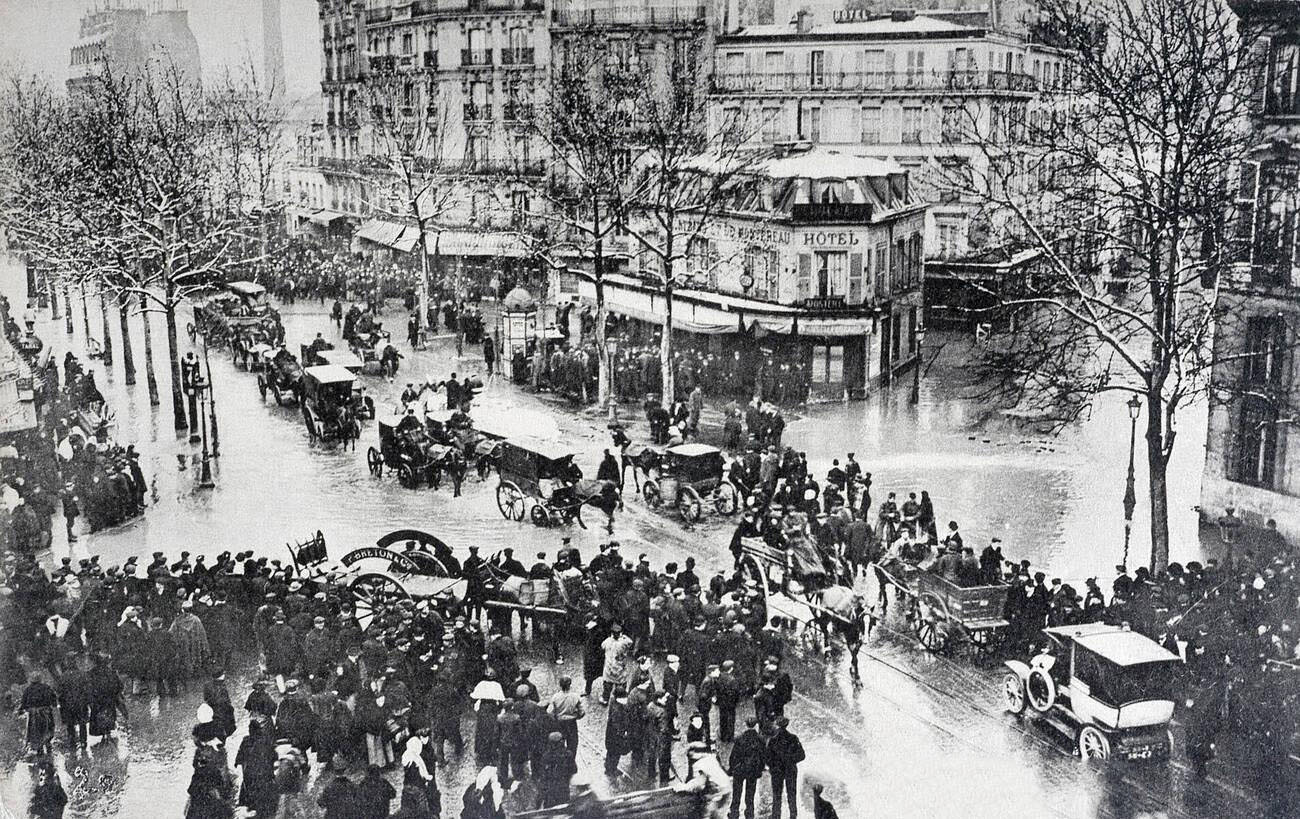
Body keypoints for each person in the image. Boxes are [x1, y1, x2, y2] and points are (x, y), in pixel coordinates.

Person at [727, 716, 765, 819]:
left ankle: (734, 813)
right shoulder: (760, 740)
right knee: (750, 794)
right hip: (753, 771)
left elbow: (733, 756)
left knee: (737, 792)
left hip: (740, 770)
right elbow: (763, 757)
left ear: (746, 725)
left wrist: (731, 769)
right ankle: (749, 813)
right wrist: (760, 769)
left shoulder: (740, 738)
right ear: (756, 726)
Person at [766, 717, 805, 819]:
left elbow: (767, 758)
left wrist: (773, 766)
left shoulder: (773, 740)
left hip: (777, 771)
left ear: (778, 725)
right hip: (790, 770)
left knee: (777, 794)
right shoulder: (793, 738)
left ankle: (776, 815)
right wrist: (790, 760)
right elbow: (802, 755)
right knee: (791, 794)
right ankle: (793, 815)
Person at [537, 731, 577, 808]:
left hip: (550, 793)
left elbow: (543, 776)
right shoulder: (568, 754)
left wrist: (539, 800)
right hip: (564, 790)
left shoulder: (546, 756)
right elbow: (574, 770)